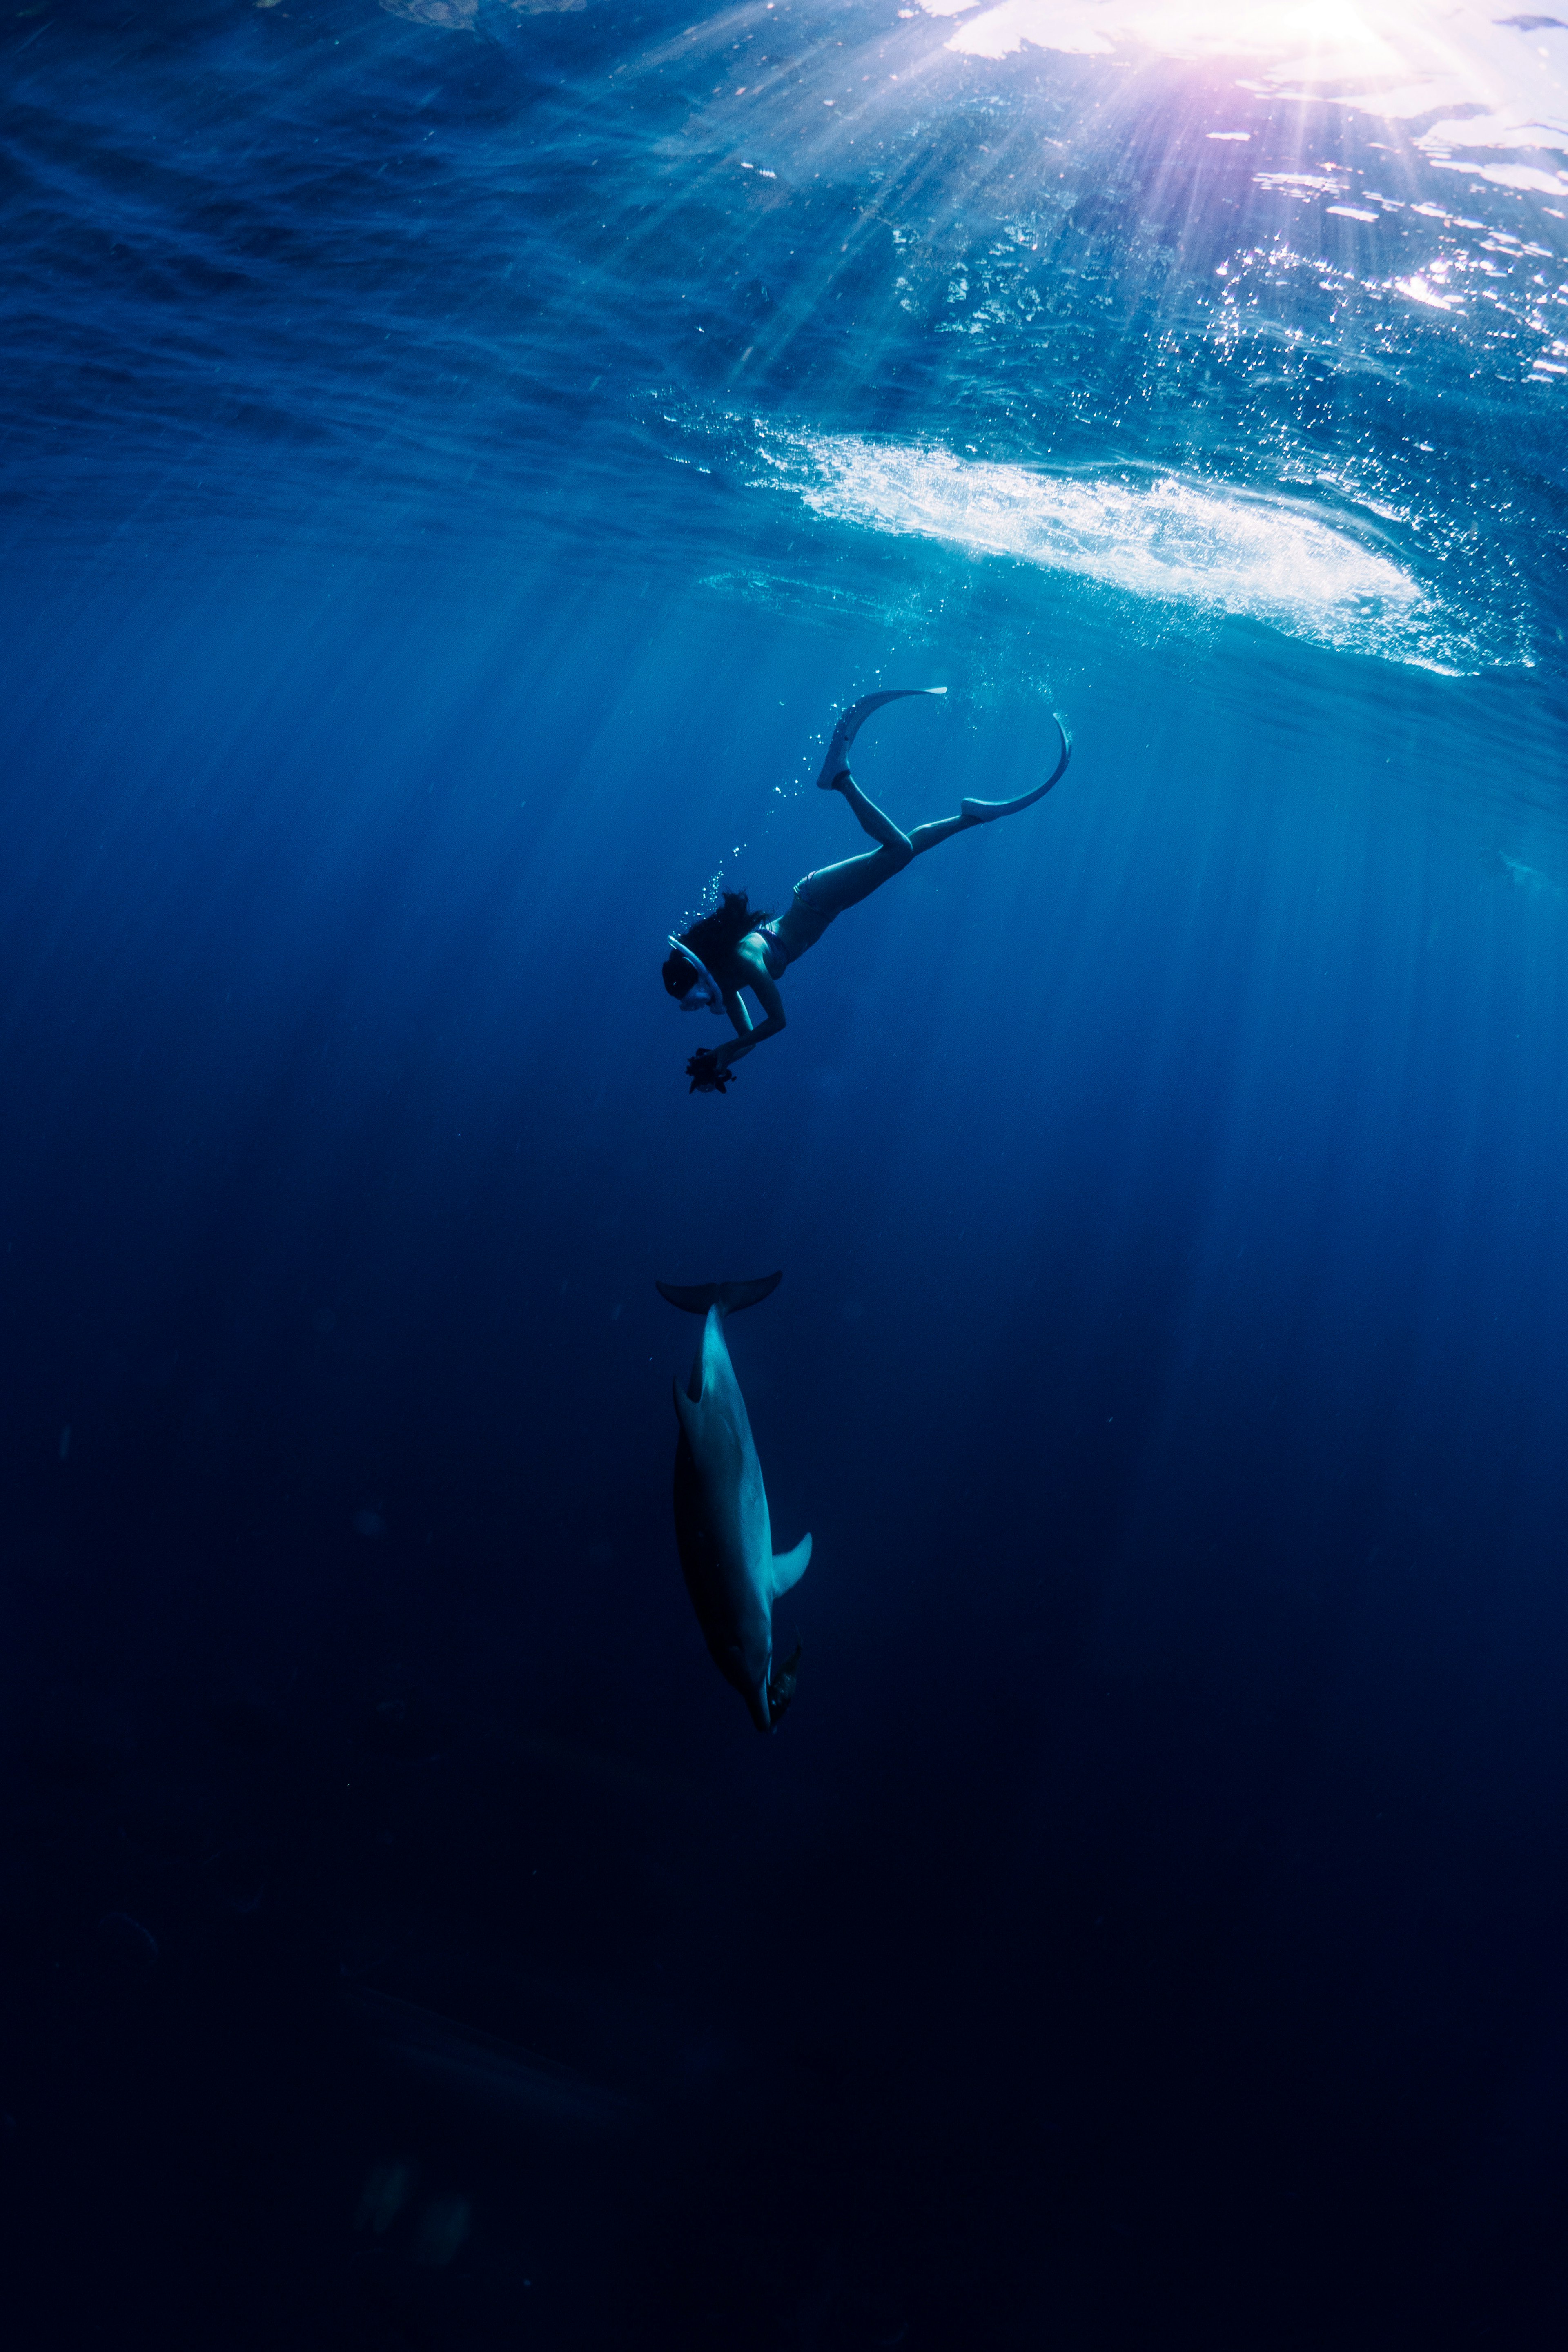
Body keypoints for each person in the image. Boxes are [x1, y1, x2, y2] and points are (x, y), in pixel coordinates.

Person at [662, 690, 1071, 1092]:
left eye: (690, 997)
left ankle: (840, 777)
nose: (694, 1007)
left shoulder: (745, 960)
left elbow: (777, 1023)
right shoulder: (730, 985)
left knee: (898, 851)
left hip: (815, 898)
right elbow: (750, 1039)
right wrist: (720, 1061)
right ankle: (972, 818)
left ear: (701, 977)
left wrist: (729, 1047)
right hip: (825, 907)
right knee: (904, 850)